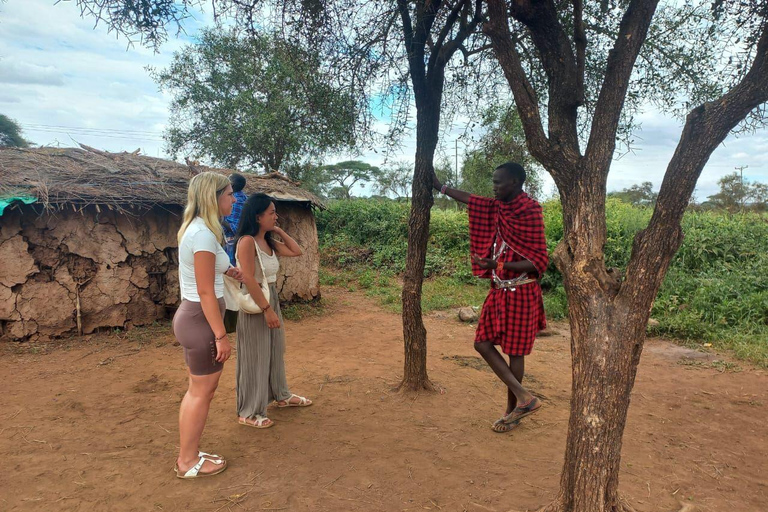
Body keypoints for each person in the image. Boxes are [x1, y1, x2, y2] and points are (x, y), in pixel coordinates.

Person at [432, 162, 548, 433]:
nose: (494, 187)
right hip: (499, 290)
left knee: (515, 352)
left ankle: (512, 413)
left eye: (498, 182)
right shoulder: (499, 207)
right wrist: (440, 187)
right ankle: (525, 398)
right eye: (493, 182)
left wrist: (497, 265)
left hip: (522, 291)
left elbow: (539, 261)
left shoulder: (529, 211)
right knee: (482, 343)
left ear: (515, 182)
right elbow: (471, 199)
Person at [172, 171, 244, 478]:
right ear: (212, 198)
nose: (234, 199)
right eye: (229, 194)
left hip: (197, 319)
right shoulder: (202, 235)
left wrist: (232, 271)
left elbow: (212, 268)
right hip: (201, 321)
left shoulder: (203, 231)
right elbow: (204, 291)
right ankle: (187, 462)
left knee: (200, 391)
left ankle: (190, 454)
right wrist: (221, 335)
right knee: (201, 393)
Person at [234, 193, 313, 429]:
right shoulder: (247, 242)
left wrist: (277, 230)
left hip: (271, 297)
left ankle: (281, 395)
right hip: (257, 302)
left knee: (275, 349)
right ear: (257, 217)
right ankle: (249, 411)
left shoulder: (267, 241)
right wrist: (266, 309)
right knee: (256, 355)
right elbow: (249, 278)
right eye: (271, 213)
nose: (275, 216)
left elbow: (296, 251)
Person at [223, 173, 247, 266]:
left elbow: (236, 228)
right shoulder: (243, 197)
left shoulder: (236, 201)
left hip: (233, 242)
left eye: (228, 180)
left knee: (231, 269)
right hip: (235, 242)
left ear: (231, 185)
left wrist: (220, 220)